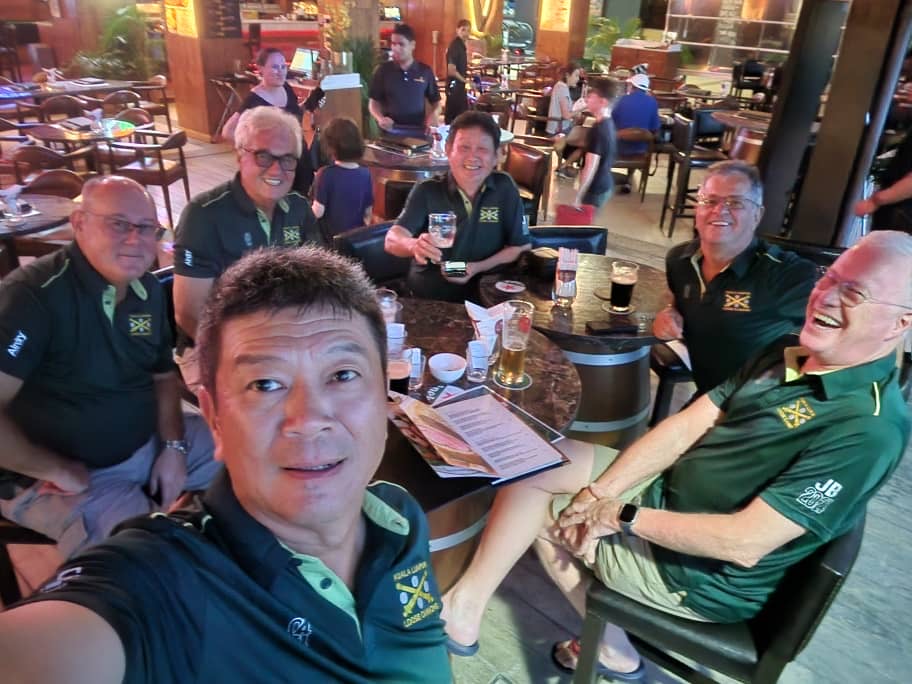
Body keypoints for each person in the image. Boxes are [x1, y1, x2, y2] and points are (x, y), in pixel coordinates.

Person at [441, 230, 911, 678]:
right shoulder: (789, 349)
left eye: (854, 293)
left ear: (901, 323)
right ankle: (471, 606)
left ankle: (609, 645)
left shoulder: (868, 429)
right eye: (830, 278)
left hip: (694, 575)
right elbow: (688, 425)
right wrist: (600, 493)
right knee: (534, 461)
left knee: (549, 515)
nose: (825, 297)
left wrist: (618, 515)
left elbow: (744, 543)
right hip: (666, 493)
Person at [0, 246, 452, 682]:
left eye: (343, 375)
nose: (309, 420)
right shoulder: (165, 585)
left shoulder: (400, 521)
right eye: (265, 384)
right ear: (214, 417)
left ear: (384, 396)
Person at [0, 176, 218, 559]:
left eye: (147, 228)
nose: (135, 239)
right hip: (63, 476)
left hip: (147, 441)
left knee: (250, 454)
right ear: (80, 223)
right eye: (118, 224)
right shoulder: (32, 297)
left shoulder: (146, 290)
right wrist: (55, 469)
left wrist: (173, 446)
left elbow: (163, 374)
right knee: (147, 557)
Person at [173, 106, 323, 392]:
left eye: (287, 159)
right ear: (240, 154)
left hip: (286, 341)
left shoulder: (298, 208)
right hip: (212, 347)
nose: (277, 170)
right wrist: (254, 358)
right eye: (263, 156)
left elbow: (317, 283)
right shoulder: (203, 215)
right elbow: (190, 314)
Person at [653, 160, 819, 394]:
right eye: (710, 201)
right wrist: (669, 311)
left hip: (760, 405)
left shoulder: (787, 274)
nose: (719, 210)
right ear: (697, 209)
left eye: (735, 202)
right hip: (709, 396)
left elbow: (837, 342)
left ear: (757, 215)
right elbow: (679, 299)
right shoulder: (679, 261)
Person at [384, 110, 531, 301]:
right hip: (429, 295)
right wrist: (414, 245)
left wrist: (476, 267)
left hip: (487, 296)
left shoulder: (505, 187)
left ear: (496, 156)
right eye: (464, 147)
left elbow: (520, 245)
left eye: (482, 149)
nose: (472, 157)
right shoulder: (427, 190)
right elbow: (392, 240)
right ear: (448, 150)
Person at [220, 47, 315, 196]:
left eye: (283, 67)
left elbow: (292, 115)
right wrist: (256, 153)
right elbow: (228, 132)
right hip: (278, 167)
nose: (280, 72)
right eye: (275, 67)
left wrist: (312, 102)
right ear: (261, 69)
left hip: (300, 160)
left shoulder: (286, 87)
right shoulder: (254, 100)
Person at [369, 23, 441, 136]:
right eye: (393, 44)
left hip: (418, 132)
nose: (396, 48)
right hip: (390, 132)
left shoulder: (425, 71)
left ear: (412, 45)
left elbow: (436, 102)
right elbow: (373, 102)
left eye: (401, 44)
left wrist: (434, 114)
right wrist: (380, 118)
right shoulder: (383, 71)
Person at [311, 116, 373, 238]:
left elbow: (318, 212)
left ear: (331, 147)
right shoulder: (366, 173)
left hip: (331, 240)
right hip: (354, 239)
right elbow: (368, 212)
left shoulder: (326, 174)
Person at [574, 78, 620, 208]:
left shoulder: (598, 130)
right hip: (604, 183)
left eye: (591, 96)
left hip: (595, 189)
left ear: (603, 102)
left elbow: (590, 166)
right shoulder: (608, 123)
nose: (587, 99)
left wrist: (579, 196)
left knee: (584, 220)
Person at [611, 72, 661, 194]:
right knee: (640, 142)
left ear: (632, 86)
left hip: (617, 148)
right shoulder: (653, 102)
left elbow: (611, 121)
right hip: (640, 151)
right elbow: (654, 128)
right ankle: (628, 179)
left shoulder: (621, 99)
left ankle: (603, 176)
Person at [444, 19, 471, 124]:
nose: (466, 33)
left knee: (461, 119)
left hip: (459, 87)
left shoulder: (461, 46)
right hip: (454, 87)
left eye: (468, 30)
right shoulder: (455, 46)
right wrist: (465, 81)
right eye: (463, 30)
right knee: (454, 120)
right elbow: (451, 71)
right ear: (457, 30)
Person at [546, 63, 582, 137]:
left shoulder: (561, 85)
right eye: (576, 75)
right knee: (584, 134)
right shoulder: (562, 88)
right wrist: (581, 110)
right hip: (559, 130)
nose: (578, 79)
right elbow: (566, 116)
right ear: (567, 75)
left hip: (561, 126)